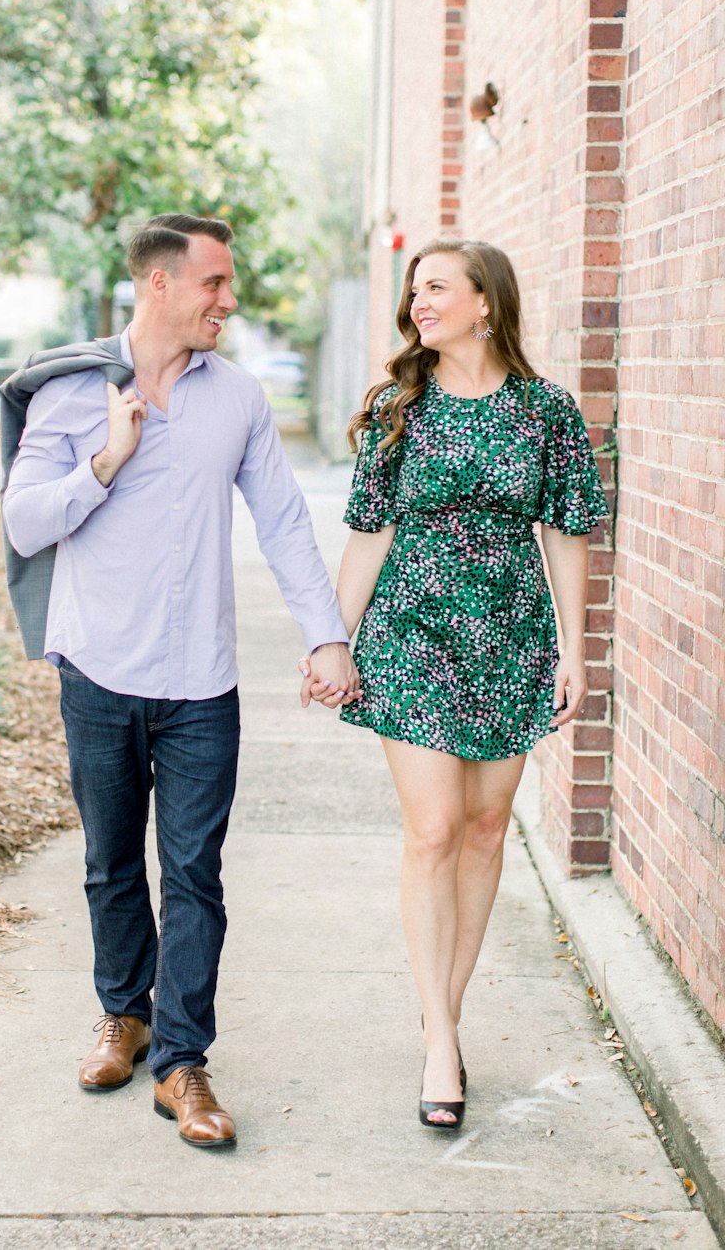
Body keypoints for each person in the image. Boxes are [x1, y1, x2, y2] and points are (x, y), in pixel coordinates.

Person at [2, 213, 358, 1149]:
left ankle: (184, 1063)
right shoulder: (72, 393)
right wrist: (105, 460)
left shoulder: (236, 397)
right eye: (214, 284)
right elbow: (24, 522)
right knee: (111, 864)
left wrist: (327, 637)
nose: (228, 301)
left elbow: (282, 519)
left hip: (202, 677)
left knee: (193, 874)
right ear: (159, 284)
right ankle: (124, 1014)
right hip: (99, 668)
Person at [301, 239, 608, 1129]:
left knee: (482, 832)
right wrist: (333, 641)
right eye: (413, 288)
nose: (418, 301)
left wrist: (573, 649)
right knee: (433, 829)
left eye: (435, 286)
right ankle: (441, 1040)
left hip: (510, 638)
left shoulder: (547, 411)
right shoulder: (404, 407)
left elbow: (567, 535)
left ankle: (448, 1011)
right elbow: (369, 532)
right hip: (414, 637)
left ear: (485, 302)